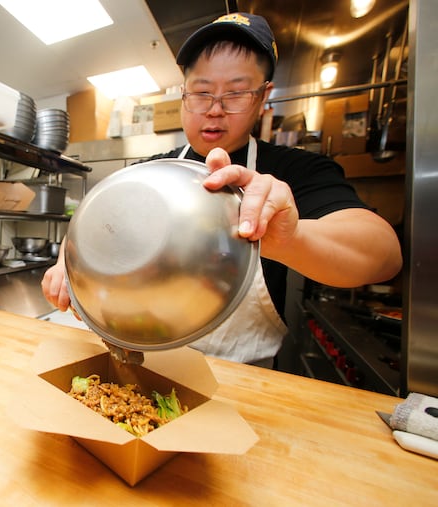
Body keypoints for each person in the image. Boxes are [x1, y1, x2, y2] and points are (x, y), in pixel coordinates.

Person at [41, 13, 403, 366]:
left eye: (236, 93)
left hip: (244, 385)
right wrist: (67, 263)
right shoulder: (147, 173)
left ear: (263, 97)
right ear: (183, 95)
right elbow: (95, 227)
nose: (214, 110)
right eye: (201, 93)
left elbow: (384, 256)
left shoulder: (297, 169)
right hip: (145, 367)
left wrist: (290, 239)